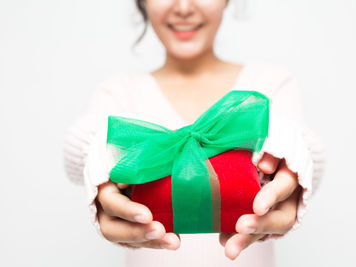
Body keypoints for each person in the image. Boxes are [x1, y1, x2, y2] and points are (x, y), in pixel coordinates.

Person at [63, 0, 325, 266]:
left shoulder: (270, 85)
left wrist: (292, 147)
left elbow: (305, 149)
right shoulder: (119, 93)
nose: (184, 8)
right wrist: (96, 149)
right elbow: (79, 151)